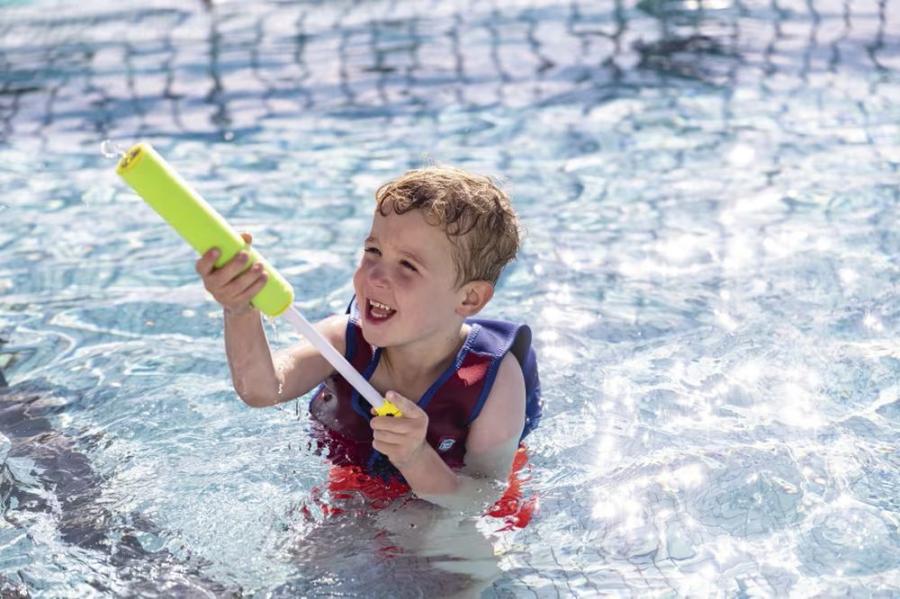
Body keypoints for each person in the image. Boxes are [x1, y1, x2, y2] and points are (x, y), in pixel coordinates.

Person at [195, 166, 541, 512]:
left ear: (469, 299)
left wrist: (417, 458)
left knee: (442, 547)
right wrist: (239, 309)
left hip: (451, 506)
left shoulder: (493, 379)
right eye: (373, 251)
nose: (375, 276)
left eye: (408, 265)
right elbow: (262, 389)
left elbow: (481, 498)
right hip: (357, 485)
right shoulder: (343, 341)